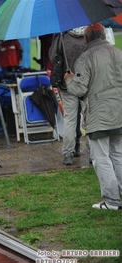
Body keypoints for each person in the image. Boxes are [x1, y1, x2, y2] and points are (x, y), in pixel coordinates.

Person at [64, 23, 122, 211]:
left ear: (86, 38)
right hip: (119, 110)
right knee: (119, 154)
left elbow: (79, 90)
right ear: (104, 35)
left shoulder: (85, 58)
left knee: (100, 157)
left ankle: (112, 200)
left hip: (99, 113)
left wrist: (69, 80)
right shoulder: (118, 52)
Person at [49, 27, 87, 165]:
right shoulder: (89, 36)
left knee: (70, 120)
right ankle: (93, 154)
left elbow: (52, 56)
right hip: (86, 85)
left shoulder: (62, 37)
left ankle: (68, 154)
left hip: (67, 83)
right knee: (89, 119)